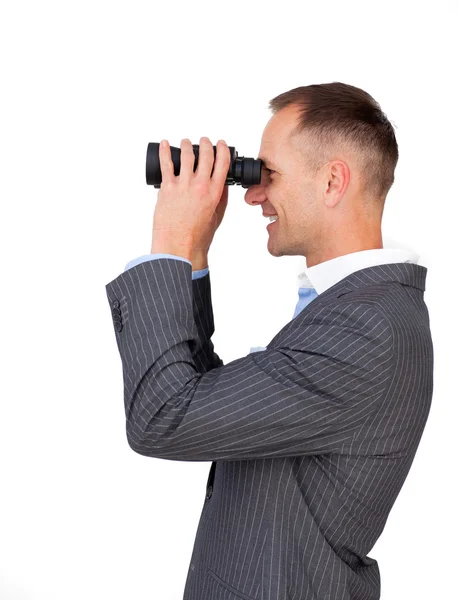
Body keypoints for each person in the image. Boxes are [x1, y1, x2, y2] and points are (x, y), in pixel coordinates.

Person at [105, 82, 434, 600]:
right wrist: (190, 256)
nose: (253, 194)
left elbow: (163, 417)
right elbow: (206, 402)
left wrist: (169, 240)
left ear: (332, 182)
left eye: (267, 174)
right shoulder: (355, 310)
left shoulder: (367, 330)